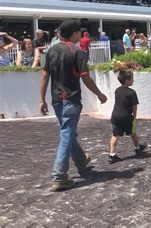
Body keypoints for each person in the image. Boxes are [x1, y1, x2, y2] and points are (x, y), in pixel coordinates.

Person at [39, 19, 108, 191]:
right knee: (67, 135)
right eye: (79, 32)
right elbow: (85, 77)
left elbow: (45, 76)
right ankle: (59, 176)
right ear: (75, 33)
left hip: (56, 100)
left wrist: (42, 99)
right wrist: (99, 94)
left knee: (67, 133)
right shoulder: (77, 52)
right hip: (71, 99)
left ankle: (82, 161)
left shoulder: (50, 51)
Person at [108, 69, 147, 163]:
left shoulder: (117, 91)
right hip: (127, 116)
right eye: (132, 79)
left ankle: (112, 153)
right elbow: (134, 107)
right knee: (133, 131)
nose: (133, 80)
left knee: (115, 134)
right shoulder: (132, 93)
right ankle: (137, 147)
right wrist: (134, 117)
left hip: (115, 116)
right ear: (127, 81)